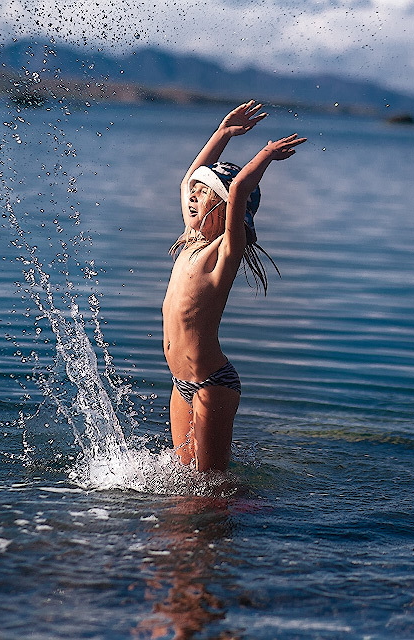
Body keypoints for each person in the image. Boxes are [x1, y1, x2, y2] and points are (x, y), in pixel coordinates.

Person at [162, 100, 306, 472]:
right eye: (194, 193)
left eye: (202, 193)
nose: (192, 196)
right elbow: (186, 178)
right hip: (181, 381)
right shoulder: (190, 238)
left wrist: (266, 154)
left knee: (212, 485)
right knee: (186, 478)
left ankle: (242, 514)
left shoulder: (224, 253)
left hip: (212, 383)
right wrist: (223, 133)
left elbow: (239, 188)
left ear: (224, 209)